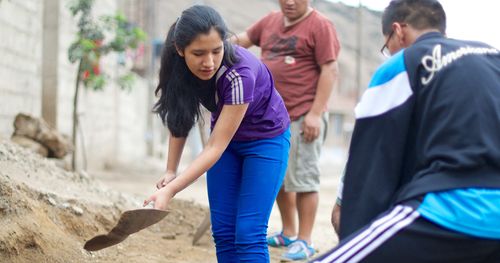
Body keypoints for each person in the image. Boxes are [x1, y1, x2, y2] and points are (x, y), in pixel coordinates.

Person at [313, 0, 500, 262]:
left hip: (450, 208)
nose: (389, 52)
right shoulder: (492, 57)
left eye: (386, 45)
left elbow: (369, 155)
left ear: (398, 31)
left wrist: (351, 226)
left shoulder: (406, 61)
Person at [143, 5, 291, 262]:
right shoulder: (176, 68)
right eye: (198, 53)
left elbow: (214, 147)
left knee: (248, 233)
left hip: (266, 141)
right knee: (223, 232)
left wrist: (171, 190)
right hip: (227, 142)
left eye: (216, 50)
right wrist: (170, 170)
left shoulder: (238, 73)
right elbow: (180, 116)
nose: (209, 62)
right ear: (180, 50)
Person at [232, 0, 340, 260]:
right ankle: (289, 232)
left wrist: (315, 114)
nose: (290, 2)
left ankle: (305, 240)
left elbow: (330, 69)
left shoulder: (320, 25)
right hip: (270, 116)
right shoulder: (269, 21)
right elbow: (241, 40)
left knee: (303, 179)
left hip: (304, 115)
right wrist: (211, 42)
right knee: (278, 176)